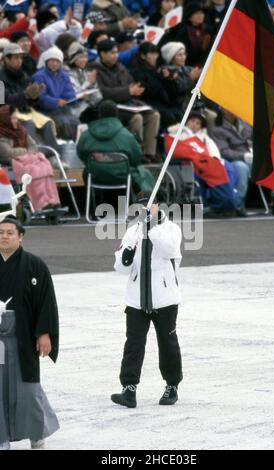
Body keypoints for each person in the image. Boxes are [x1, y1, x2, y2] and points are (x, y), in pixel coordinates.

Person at [111, 191, 183, 408]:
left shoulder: (171, 229)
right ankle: (129, 388)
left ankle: (172, 385)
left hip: (165, 298)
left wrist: (152, 228)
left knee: (167, 342)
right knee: (133, 343)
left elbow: (169, 249)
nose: (143, 209)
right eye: (141, 205)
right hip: (136, 298)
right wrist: (126, 255)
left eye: (148, 205)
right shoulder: (133, 230)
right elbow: (120, 267)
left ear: (158, 205)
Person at [0, 216, 59, 450]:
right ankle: (2, 436)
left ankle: (36, 433)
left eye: (9, 233)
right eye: (1, 232)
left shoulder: (35, 265)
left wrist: (44, 333)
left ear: (21, 236)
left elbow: (46, 302)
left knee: (28, 389)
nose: (4, 236)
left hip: (23, 334)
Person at [77, 100, 155, 193]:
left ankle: (92, 204)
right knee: (141, 172)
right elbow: (137, 159)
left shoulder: (86, 134)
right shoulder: (126, 135)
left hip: (95, 176)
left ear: (100, 114)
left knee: (86, 172)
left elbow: (81, 154)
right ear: (116, 114)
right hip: (122, 177)